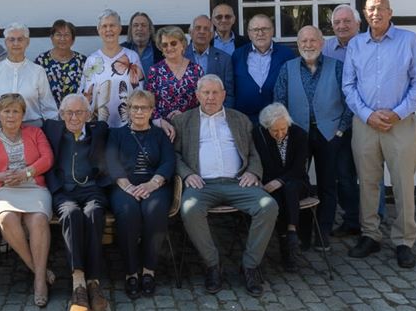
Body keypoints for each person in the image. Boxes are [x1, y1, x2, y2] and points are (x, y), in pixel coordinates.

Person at [343, 0, 416, 268]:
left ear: (390, 12)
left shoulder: (408, 40)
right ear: (364, 15)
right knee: (367, 182)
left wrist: (397, 112)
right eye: (370, 9)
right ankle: (370, 235)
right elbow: (349, 86)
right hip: (365, 124)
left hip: (399, 124)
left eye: (380, 8)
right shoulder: (356, 44)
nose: (375, 13)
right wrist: (368, 115)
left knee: (403, 183)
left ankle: (404, 241)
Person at [173, 75, 278, 297]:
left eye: (215, 93)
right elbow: (174, 155)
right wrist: (187, 173)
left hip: (238, 182)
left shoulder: (239, 119)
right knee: (190, 209)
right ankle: (213, 265)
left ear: (223, 95)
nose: (210, 97)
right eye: (206, 93)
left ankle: (250, 266)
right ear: (197, 95)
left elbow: (253, 152)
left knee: (268, 206)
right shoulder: (183, 121)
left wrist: (252, 171)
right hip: (202, 184)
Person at [274, 25, 352, 249]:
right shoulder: (287, 68)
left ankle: (323, 232)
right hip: (298, 134)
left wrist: (340, 130)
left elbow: (350, 100)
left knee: (328, 184)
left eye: (312, 40)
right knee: (299, 182)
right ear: (298, 45)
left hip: (330, 134)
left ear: (322, 43)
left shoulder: (337, 67)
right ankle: (303, 231)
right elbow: (279, 101)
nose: (308, 45)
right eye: (303, 42)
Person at [0, 94, 54, 307]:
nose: (10, 116)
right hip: (4, 189)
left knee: (38, 219)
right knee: (7, 218)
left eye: (15, 111)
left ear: (23, 115)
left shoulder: (35, 132)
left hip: (33, 186)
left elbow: (47, 159)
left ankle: (39, 282)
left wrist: (26, 173)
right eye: (6, 111)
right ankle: (38, 271)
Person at [42, 94, 110, 311]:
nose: (74, 117)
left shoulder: (99, 129)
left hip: (91, 190)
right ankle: (78, 281)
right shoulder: (51, 129)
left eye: (79, 112)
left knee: (94, 212)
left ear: (88, 115)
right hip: (64, 192)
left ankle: (94, 282)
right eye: (69, 112)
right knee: (71, 214)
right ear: (61, 114)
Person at [106, 89, 175, 300]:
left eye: (144, 108)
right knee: (127, 213)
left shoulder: (159, 134)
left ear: (152, 111)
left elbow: (168, 162)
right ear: (128, 110)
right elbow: (111, 161)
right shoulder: (117, 134)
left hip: (155, 186)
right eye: (134, 107)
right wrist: (127, 186)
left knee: (154, 210)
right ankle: (131, 272)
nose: (138, 111)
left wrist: (152, 184)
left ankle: (149, 270)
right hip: (123, 186)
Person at [322, 4, 368, 236]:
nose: (341, 26)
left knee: (369, 174)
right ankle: (351, 220)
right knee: (343, 174)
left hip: (363, 118)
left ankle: (373, 220)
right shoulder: (326, 48)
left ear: (358, 23)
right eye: (337, 22)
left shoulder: (366, 45)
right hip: (336, 121)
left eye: (347, 21)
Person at [253, 103, 309, 272]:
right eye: (274, 131)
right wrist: (274, 182)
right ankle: (288, 244)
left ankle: (290, 233)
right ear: (266, 127)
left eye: (283, 129)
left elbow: (299, 168)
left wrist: (281, 181)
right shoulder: (259, 135)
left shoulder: (299, 134)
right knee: (277, 197)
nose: (280, 134)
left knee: (289, 188)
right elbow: (262, 165)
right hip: (270, 183)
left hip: (297, 182)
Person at [0, 22, 58, 133]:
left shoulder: (37, 71)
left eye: (20, 39)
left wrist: (53, 133)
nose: (16, 43)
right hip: (1, 130)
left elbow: (48, 107)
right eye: (11, 39)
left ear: (27, 42)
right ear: (6, 42)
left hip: (32, 131)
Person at [81, 9, 145, 129]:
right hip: (99, 126)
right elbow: (85, 95)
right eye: (104, 26)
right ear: (99, 30)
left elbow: (140, 93)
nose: (108, 29)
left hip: (129, 125)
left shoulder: (132, 57)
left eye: (112, 25)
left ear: (120, 28)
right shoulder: (92, 60)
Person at [232, 14, 295, 124]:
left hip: (277, 122)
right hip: (244, 120)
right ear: (249, 33)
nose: (260, 33)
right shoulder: (237, 55)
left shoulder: (286, 55)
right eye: (255, 29)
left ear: (272, 31)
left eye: (265, 29)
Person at [147, 26, 203, 120]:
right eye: (165, 45)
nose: (169, 47)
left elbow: (202, 101)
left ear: (182, 44)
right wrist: (160, 122)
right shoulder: (154, 71)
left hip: (190, 123)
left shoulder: (196, 70)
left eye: (173, 43)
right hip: (164, 126)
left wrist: (185, 116)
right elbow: (149, 102)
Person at [34, 19, 87, 106]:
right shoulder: (41, 60)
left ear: (73, 39)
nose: (62, 39)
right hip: (48, 113)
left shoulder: (82, 60)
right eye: (58, 35)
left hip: (76, 113)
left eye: (66, 35)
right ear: (52, 38)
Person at [185, 14, 235, 108]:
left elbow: (229, 94)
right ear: (191, 32)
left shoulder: (225, 59)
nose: (202, 32)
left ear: (212, 35)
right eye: (198, 28)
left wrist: (222, 116)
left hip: (216, 113)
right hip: (187, 115)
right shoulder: (180, 56)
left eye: (206, 29)